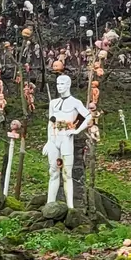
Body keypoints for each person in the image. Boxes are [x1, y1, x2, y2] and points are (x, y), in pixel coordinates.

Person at [43, 74, 92, 210]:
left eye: (62, 84)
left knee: (67, 174)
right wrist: (48, 141)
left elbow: (88, 117)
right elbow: (50, 122)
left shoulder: (75, 102)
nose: (59, 87)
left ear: (68, 85)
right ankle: (50, 204)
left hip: (66, 137)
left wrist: (76, 130)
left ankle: (70, 207)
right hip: (54, 137)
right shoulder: (53, 103)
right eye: (58, 84)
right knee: (53, 171)